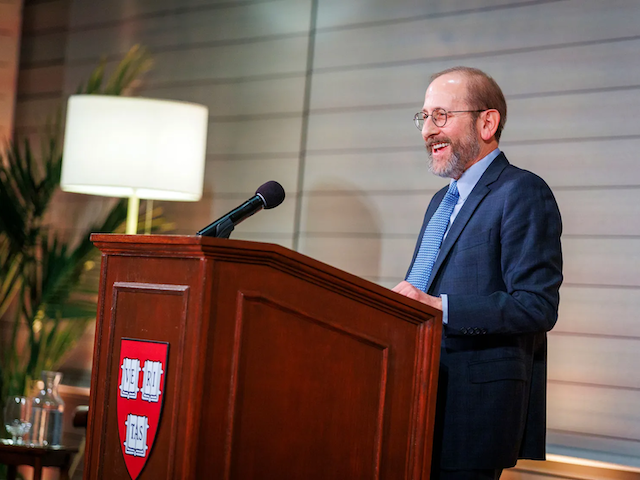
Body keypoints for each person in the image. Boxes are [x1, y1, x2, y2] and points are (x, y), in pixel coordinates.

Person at [392, 67, 563, 480]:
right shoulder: (440, 201)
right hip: (416, 399)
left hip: (471, 412)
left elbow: (536, 306)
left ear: (487, 122)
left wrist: (439, 307)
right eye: (424, 118)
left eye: (441, 116)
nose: (427, 131)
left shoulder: (522, 191)